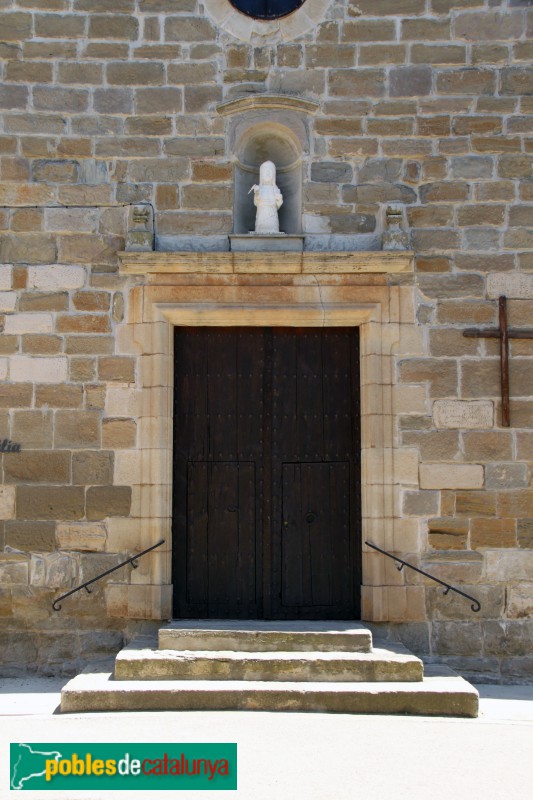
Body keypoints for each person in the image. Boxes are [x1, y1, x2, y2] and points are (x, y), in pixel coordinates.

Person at [250, 160, 283, 233]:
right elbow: (256, 202)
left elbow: (278, 205)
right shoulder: (259, 188)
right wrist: (257, 192)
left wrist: (279, 199)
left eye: (270, 172)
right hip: (262, 214)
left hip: (272, 215)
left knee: (273, 229)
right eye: (266, 172)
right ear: (262, 175)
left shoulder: (275, 189)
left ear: (273, 175)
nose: (268, 173)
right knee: (261, 228)